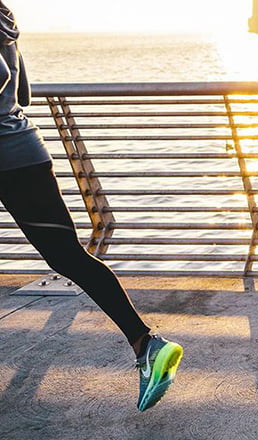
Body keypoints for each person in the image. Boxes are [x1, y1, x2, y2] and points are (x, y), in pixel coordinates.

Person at [0, 1, 181, 411]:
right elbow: (21, 91)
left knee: (66, 258)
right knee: (68, 258)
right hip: (23, 151)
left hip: (8, 158)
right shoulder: (4, 16)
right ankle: (146, 344)